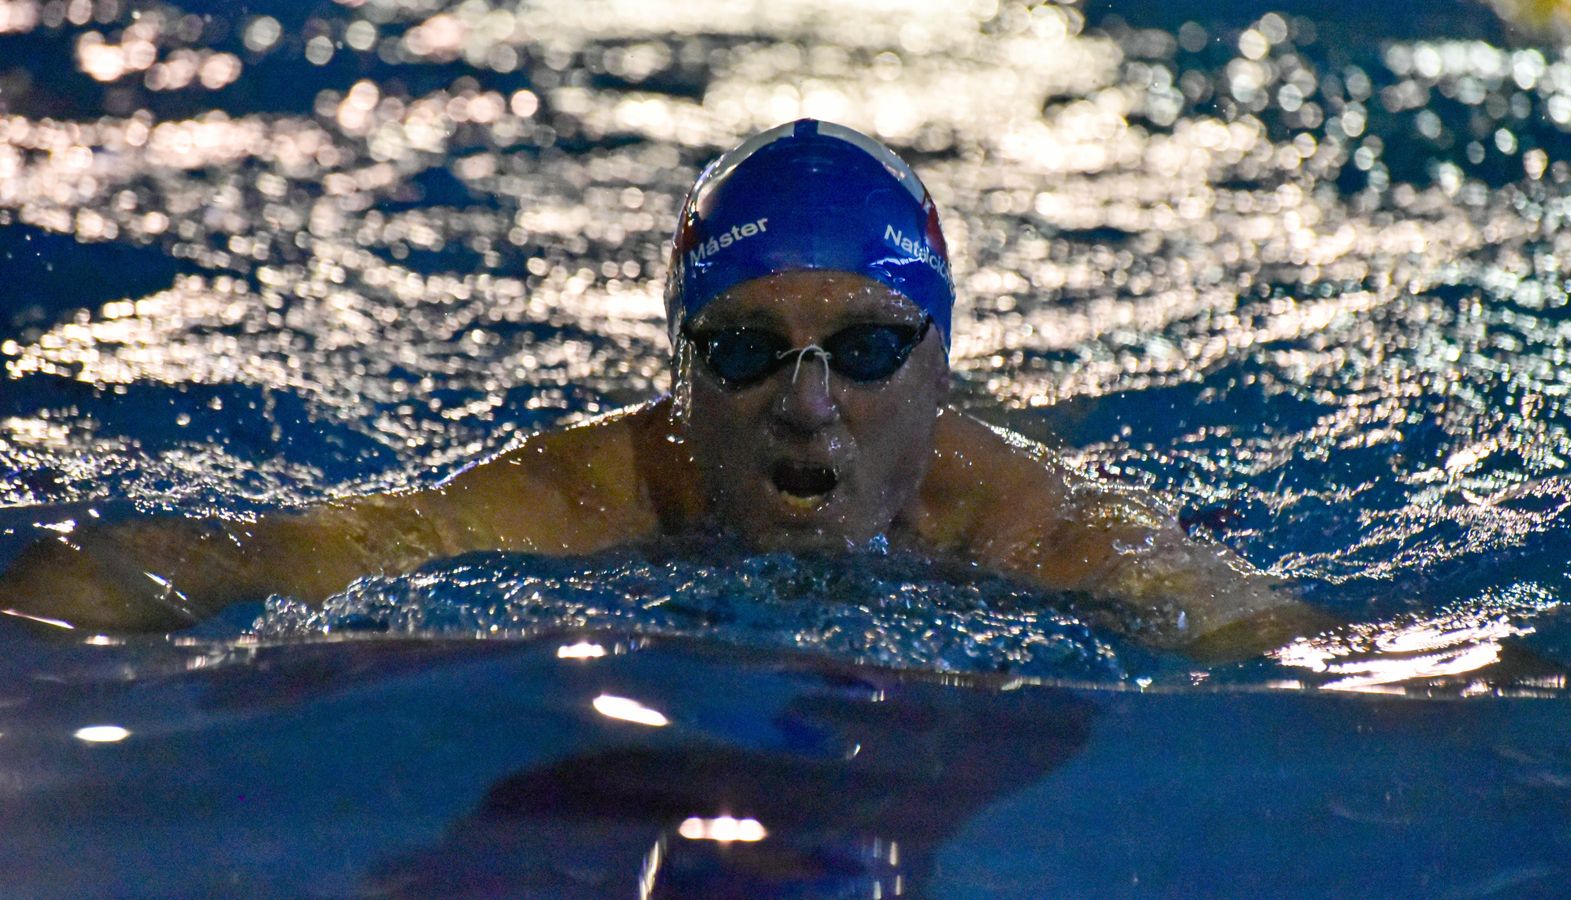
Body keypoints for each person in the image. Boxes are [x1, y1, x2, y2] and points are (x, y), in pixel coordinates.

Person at [0, 119, 1326, 656]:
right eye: (746, 349)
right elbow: (252, 557)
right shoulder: (585, 495)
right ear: (680, 374)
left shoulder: (1040, 526)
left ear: (940, 362)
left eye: (867, 350)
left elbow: (1300, 653)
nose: (809, 404)